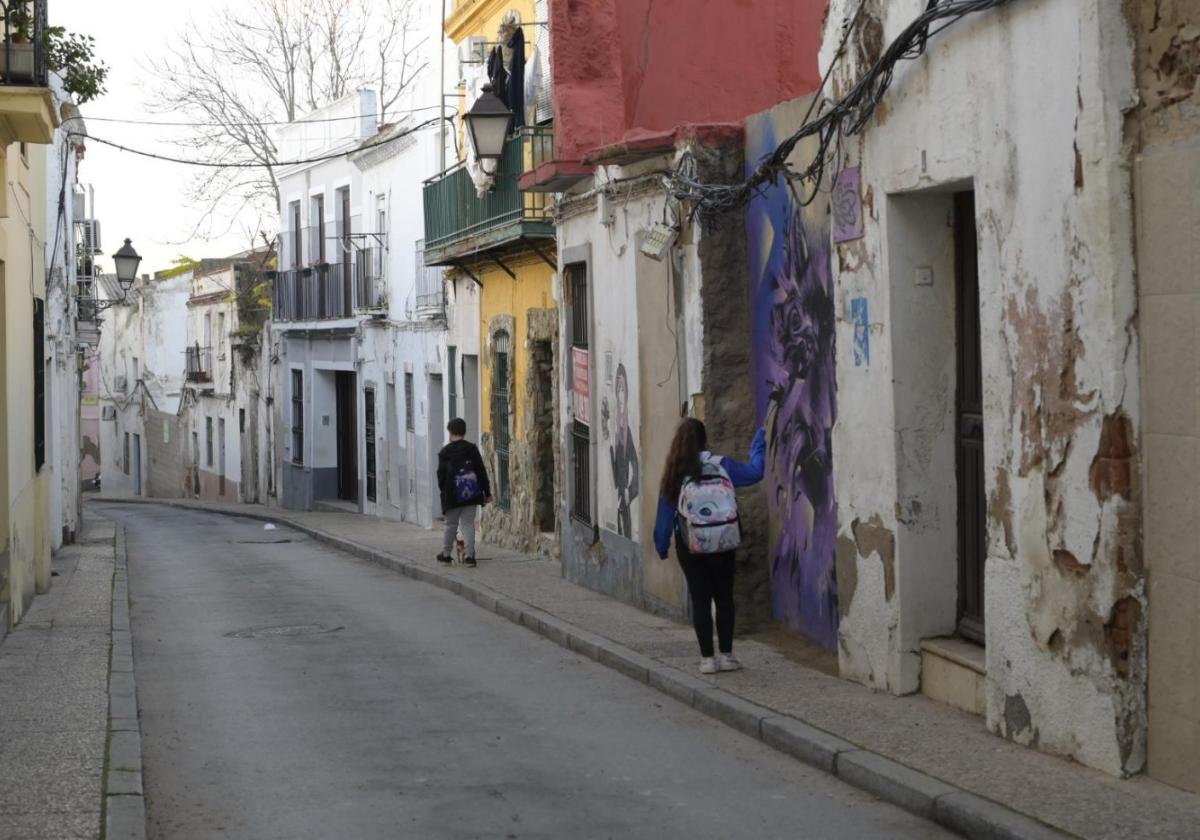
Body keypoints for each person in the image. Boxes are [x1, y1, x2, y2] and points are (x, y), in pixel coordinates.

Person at [654, 418, 765, 675]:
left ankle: (707, 659)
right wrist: (759, 442)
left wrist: (661, 546)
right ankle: (727, 656)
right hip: (722, 542)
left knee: (700, 598)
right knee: (724, 597)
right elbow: (754, 473)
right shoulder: (721, 465)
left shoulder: (674, 473)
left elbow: (663, 518)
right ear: (705, 440)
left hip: (689, 545)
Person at [436, 418, 491, 568]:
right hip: (470, 495)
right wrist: (487, 492)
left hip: (452, 495)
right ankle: (469, 556)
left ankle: (446, 555)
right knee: (468, 524)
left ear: (450, 432)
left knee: (450, 525)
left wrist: (445, 491)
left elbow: (440, 476)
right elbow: (481, 472)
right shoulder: (472, 449)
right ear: (464, 431)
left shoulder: (445, 452)